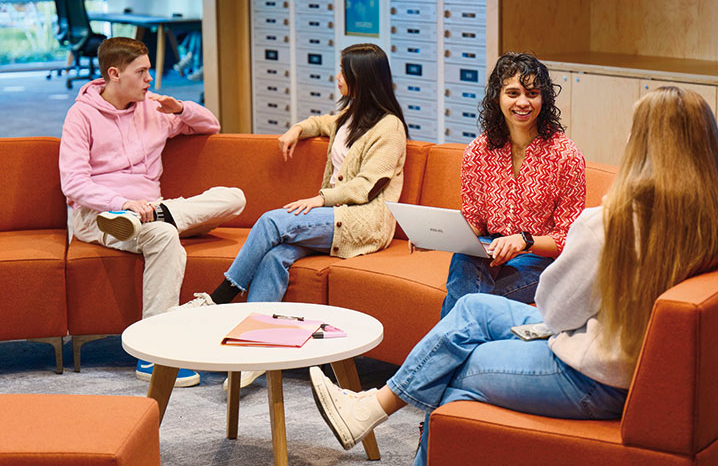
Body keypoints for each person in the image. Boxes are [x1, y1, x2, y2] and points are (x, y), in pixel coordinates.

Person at [308, 86, 718, 465]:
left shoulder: (612, 223)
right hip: (632, 361)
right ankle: (371, 406)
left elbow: (557, 312)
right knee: (471, 309)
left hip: (594, 376)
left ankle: (384, 418)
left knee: (458, 365)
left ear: (640, 145)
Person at [180, 43, 408, 389]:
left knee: (273, 221)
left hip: (362, 222)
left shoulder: (389, 128)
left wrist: (320, 198)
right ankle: (252, 352)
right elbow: (322, 123)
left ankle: (219, 298)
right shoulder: (350, 116)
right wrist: (298, 130)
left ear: (362, 78)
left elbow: (366, 186)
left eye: (343, 71)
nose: (337, 76)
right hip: (334, 217)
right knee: (275, 256)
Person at [59, 36, 246, 387]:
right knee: (161, 235)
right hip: (99, 214)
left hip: (152, 211)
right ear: (114, 74)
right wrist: (123, 203)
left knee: (234, 197)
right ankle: (153, 354)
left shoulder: (153, 108)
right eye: (142, 71)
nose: (150, 78)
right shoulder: (81, 116)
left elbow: (210, 125)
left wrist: (180, 109)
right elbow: (73, 184)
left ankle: (155, 218)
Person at [437, 52, 585, 318]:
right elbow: (474, 220)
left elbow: (569, 238)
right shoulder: (477, 151)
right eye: (513, 93)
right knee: (465, 259)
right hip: (490, 249)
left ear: (544, 98)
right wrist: (436, 236)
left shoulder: (566, 155)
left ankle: (441, 354)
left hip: (540, 260)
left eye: (532, 93)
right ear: (498, 97)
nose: (523, 102)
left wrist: (524, 241)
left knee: (468, 304)